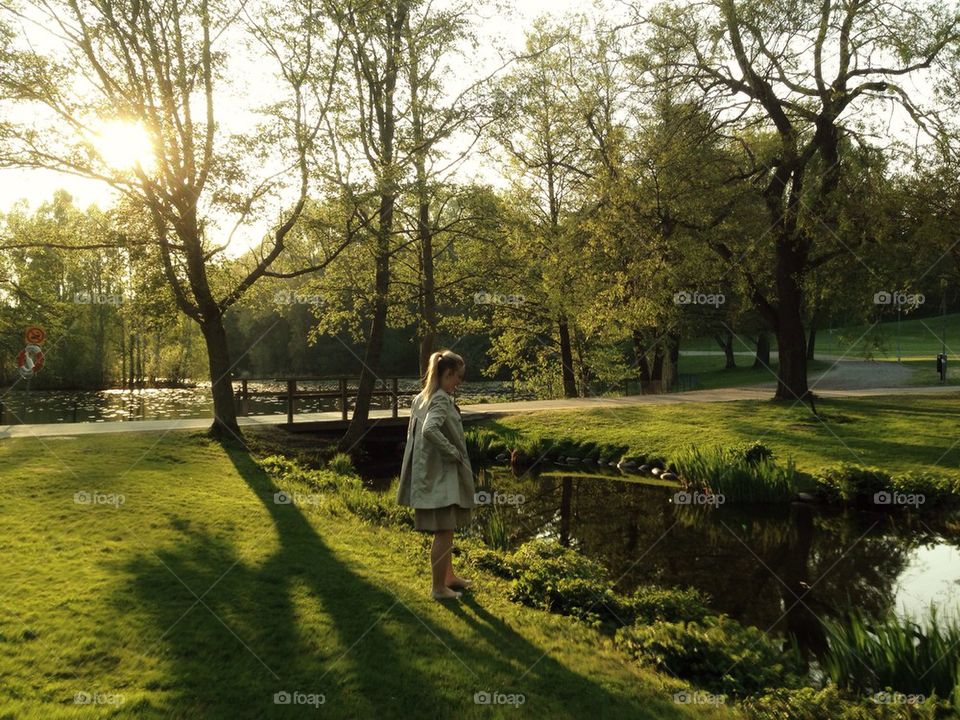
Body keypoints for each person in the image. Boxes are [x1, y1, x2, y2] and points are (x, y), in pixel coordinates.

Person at [397, 349, 476, 600]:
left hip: (429, 474)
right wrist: (452, 451)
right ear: (447, 374)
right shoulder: (440, 399)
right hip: (439, 475)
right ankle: (438, 588)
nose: (459, 383)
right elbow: (430, 430)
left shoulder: (421, 397)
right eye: (458, 377)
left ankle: (448, 577)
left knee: (447, 526)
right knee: (443, 530)